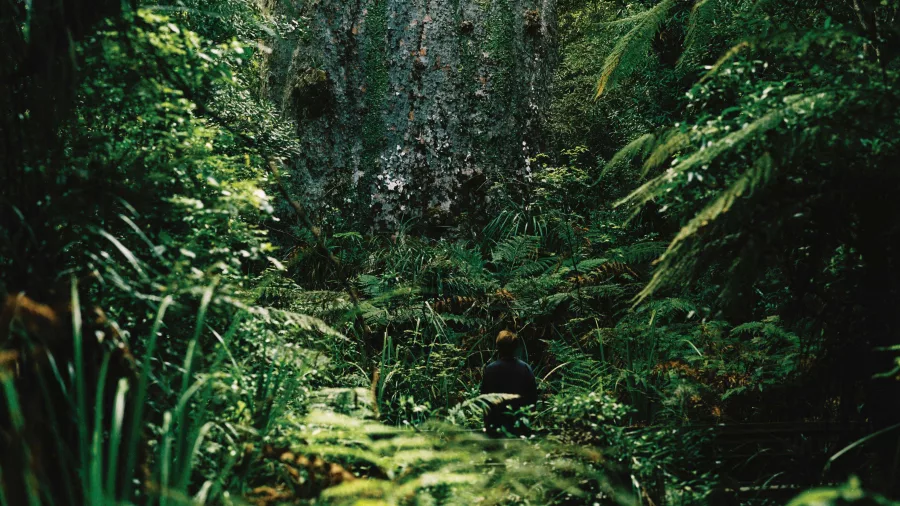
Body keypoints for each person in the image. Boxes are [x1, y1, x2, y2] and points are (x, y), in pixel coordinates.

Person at [480, 330, 537, 437]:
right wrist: (528, 422)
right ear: (515, 348)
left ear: (498, 347)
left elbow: (485, 399)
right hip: (519, 425)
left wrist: (487, 425)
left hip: (496, 426)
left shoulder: (490, 369)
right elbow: (532, 399)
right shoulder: (525, 369)